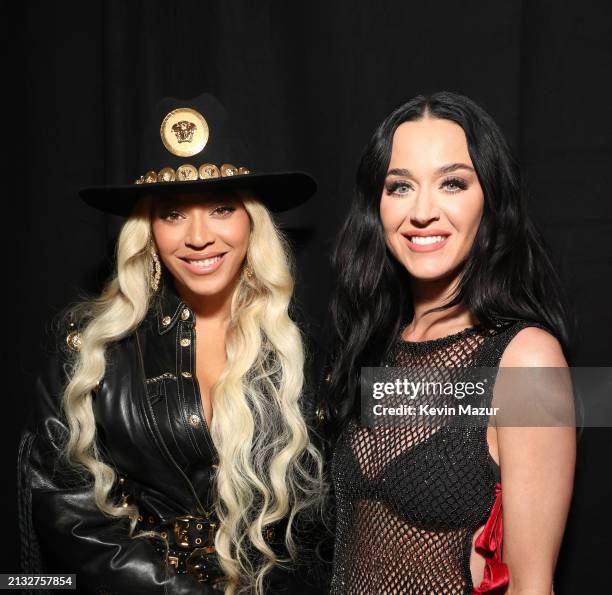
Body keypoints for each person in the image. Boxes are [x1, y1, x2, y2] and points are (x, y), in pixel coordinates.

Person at [18, 93, 328, 594]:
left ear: (252, 223)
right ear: (148, 231)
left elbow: (326, 525)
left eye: (222, 207)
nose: (199, 236)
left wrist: (505, 399)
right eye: (173, 214)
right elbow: (65, 511)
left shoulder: (301, 352)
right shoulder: (88, 347)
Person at [324, 91, 576, 594]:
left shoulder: (527, 361)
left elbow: (532, 586)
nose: (422, 212)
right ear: (377, 204)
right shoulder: (375, 345)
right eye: (400, 187)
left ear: (491, 199)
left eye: (452, 183)